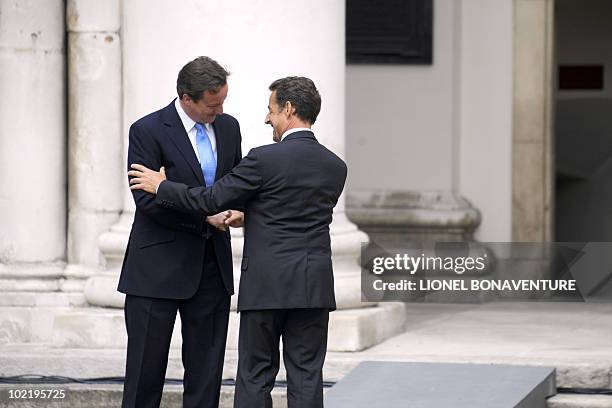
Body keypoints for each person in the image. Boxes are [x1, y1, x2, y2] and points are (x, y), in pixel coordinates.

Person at [129, 76, 347, 408]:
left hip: (266, 286)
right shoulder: (336, 167)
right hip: (312, 286)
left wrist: (162, 186)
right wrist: (251, 216)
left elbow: (211, 199)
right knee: (306, 376)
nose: (266, 118)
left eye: (270, 110)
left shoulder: (263, 159)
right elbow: (293, 209)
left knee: (255, 375)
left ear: (288, 109)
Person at [118, 56, 244, 408]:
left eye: (223, 103)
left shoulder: (230, 127)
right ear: (186, 98)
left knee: (206, 374)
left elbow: (234, 186)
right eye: (211, 105)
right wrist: (206, 216)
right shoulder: (148, 130)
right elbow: (148, 201)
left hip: (211, 267)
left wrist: (236, 210)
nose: (218, 111)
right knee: (145, 373)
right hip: (156, 268)